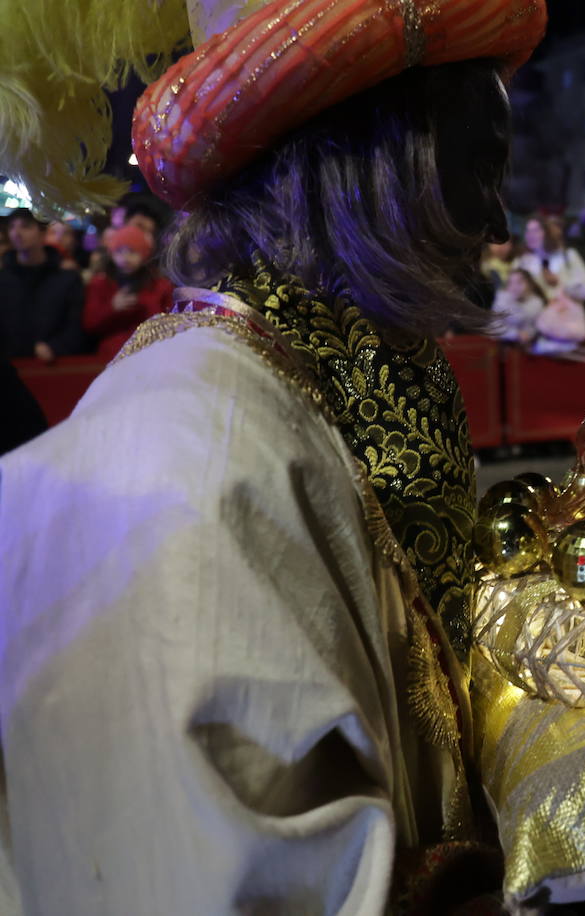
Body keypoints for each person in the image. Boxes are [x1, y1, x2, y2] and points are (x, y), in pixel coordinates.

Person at [0, 2, 547, 914]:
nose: (496, 221)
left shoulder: (286, 385)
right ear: (373, 167)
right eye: (478, 168)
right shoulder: (195, 460)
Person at [0, 207, 86, 361]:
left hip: (55, 366)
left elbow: (76, 326)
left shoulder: (67, 279)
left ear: (42, 233)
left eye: (25, 226)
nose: (17, 233)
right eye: (12, 227)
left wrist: (55, 347)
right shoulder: (4, 280)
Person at [82, 224, 173, 359]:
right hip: (112, 357)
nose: (125, 258)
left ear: (144, 254)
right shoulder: (101, 283)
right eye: (119, 251)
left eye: (132, 251)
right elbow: (89, 324)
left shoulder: (160, 285)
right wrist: (112, 308)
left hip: (150, 354)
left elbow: (171, 323)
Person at [515, 213, 585, 309]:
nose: (531, 235)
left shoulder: (568, 255)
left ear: (547, 232)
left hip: (565, 319)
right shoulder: (522, 261)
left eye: (536, 230)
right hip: (535, 320)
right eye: (528, 231)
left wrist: (559, 282)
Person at [492, 266, 546, 345]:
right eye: (510, 283)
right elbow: (494, 325)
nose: (514, 287)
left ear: (530, 284)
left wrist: (529, 334)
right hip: (501, 343)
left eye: (519, 282)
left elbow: (535, 326)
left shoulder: (537, 303)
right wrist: (516, 334)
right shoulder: (501, 298)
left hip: (525, 345)